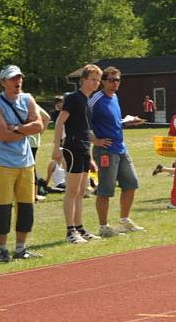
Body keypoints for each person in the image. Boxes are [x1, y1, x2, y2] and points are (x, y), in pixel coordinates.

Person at [0, 65, 45, 262]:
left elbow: (40, 125)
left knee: (26, 208)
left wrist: (17, 128)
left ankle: (21, 249)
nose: (17, 82)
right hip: (3, 164)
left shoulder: (28, 99)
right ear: (3, 82)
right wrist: (26, 128)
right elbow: (2, 135)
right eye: (12, 79)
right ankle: (2, 250)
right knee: (2, 208)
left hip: (26, 163)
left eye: (19, 78)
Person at [89, 66, 146, 237]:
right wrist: (95, 140)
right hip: (105, 151)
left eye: (118, 80)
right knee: (106, 190)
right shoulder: (95, 99)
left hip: (121, 148)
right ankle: (103, 227)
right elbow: (81, 121)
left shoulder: (115, 98)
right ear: (103, 82)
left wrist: (127, 122)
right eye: (111, 80)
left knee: (131, 183)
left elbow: (113, 122)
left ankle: (124, 221)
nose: (115, 83)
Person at [52, 64, 103, 244]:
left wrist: (93, 145)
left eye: (98, 80)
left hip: (83, 148)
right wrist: (57, 147)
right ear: (83, 80)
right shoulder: (74, 98)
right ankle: (70, 231)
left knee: (81, 191)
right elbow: (60, 122)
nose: (96, 83)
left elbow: (84, 128)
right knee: (72, 191)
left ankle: (80, 227)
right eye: (93, 79)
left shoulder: (88, 101)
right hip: (72, 148)